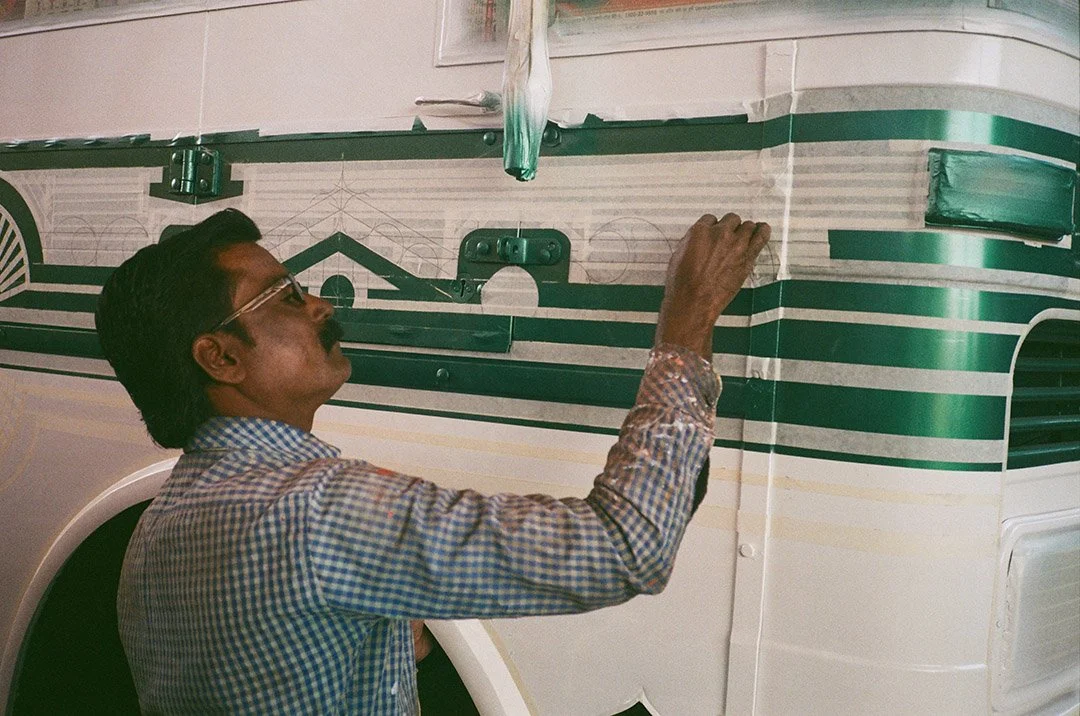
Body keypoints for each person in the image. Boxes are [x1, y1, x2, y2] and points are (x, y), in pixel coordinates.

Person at [95, 208, 770, 714]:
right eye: (288, 296)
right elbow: (624, 547)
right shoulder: (318, 513)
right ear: (220, 357)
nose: (322, 305)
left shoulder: (155, 531)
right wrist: (687, 321)